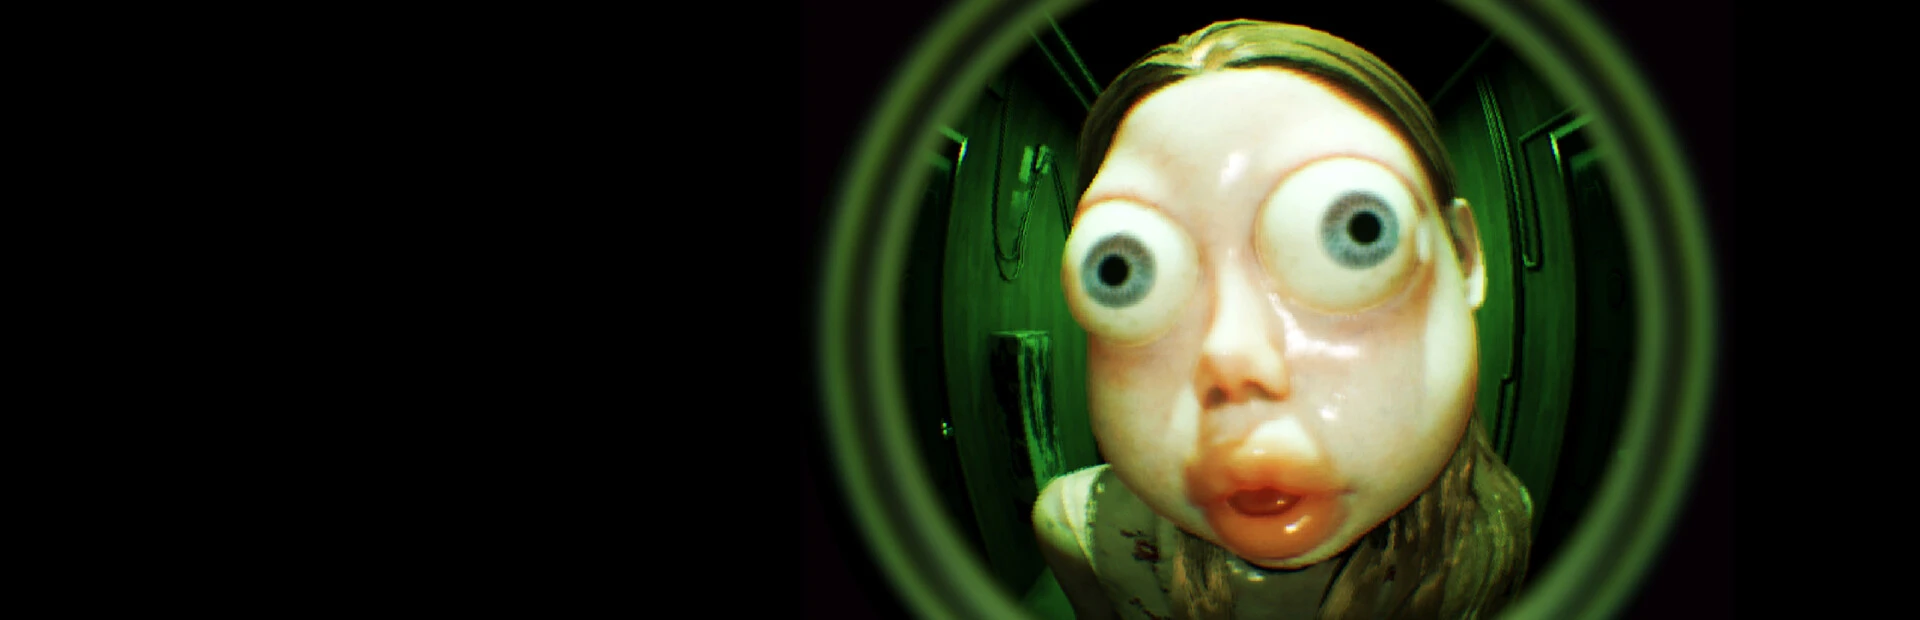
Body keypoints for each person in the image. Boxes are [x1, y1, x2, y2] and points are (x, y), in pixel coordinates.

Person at [1032, 20, 1532, 620]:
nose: (1233, 356)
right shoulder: (1078, 535)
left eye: (1356, 230)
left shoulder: (1498, 532)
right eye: (1120, 271)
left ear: (1464, 255)